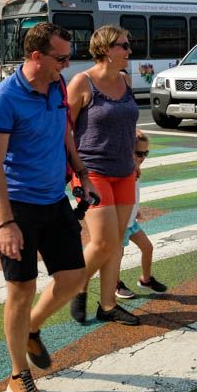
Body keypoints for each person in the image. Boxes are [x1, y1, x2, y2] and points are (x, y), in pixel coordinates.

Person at [0, 22, 99, 392]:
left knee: (73, 277)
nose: (66, 65)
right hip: (16, 207)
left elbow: (64, 129)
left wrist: (81, 173)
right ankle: (18, 374)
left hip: (54, 200)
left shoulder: (57, 88)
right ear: (36, 56)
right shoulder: (4, 99)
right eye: (60, 58)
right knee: (21, 288)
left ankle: (31, 327)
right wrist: (6, 223)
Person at [67, 25, 141, 326]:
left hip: (124, 171)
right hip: (92, 172)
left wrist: (135, 159)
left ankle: (108, 305)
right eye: (123, 45)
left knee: (117, 242)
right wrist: (77, 171)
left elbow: (126, 124)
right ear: (107, 50)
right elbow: (65, 130)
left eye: (128, 44)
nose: (129, 51)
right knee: (102, 242)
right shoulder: (82, 83)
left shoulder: (125, 80)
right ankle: (76, 285)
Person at [114, 130, 167, 301]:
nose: (142, 157)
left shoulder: (135, 172)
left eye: (146, 153)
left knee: (148, 247)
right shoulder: (123, 171)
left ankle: (145, 279)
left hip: (131, 222)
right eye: (138, 153)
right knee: (117, 256)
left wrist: (135, 209)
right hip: (119, 224)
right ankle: (115, 284)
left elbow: (132, 195)